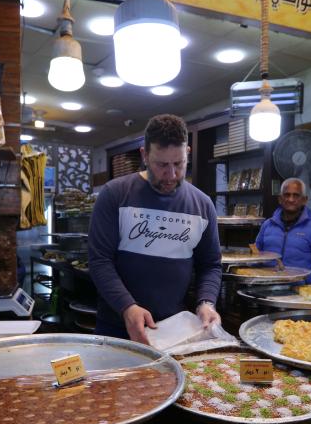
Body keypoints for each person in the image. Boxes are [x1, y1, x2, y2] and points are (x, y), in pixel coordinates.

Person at [88, 114, 222, 343]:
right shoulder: (115, 195)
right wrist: (127, 306)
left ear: (188, 153)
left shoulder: (202, 205)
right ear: (144, 155)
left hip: (174, 329)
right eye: (162, 165)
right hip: (117, 326)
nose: (171, 175)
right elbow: (100, 260)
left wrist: (206, 302)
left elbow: (210, 264)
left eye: (179, 164)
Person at [254, 178, 311, 284]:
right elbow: (255, 257)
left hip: (301, 292)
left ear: (304, 200)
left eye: (296, 195)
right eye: (287, 195)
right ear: (280, 199)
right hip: (267, 289)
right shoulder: (267, 225)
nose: (291, 199)